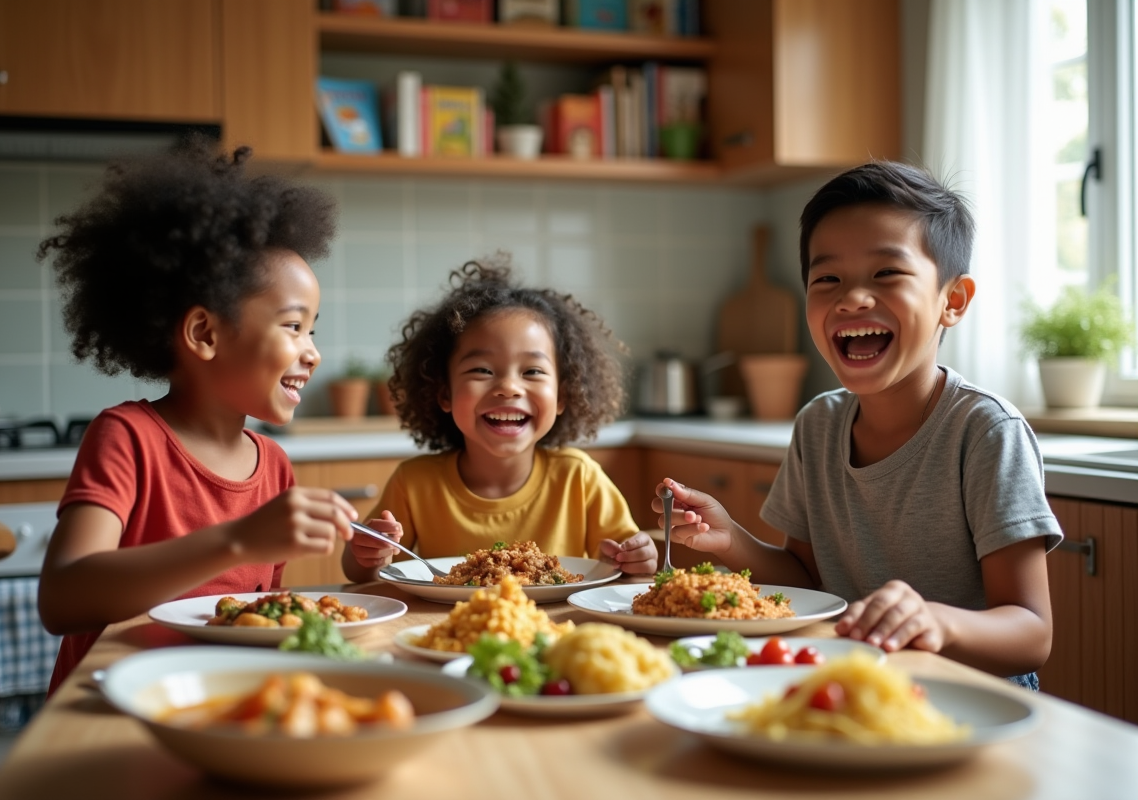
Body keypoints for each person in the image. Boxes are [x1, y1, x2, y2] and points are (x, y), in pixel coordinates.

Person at [656, 161, 1062, 687]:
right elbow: (806, 580)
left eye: (887, 273)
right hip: (849, 679)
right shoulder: (818, 424)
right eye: (827, 279)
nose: (851, 298)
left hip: (965, 690)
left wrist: (937, 621)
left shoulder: (986, 432)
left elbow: (1032, 634)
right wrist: (729, 537)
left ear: (952, 301)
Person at [36, 138, 358, 694]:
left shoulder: (274, 465)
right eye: (292, 326)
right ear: (205, 334)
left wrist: (364, 559)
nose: (313, 352)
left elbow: (254, 618)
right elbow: (63, 598)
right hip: (115, 706)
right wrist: (236, 542)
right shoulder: (127, 438)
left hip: (222, 695)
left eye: (314, 329)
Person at [342, 258, 656, 583]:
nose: (508, 388)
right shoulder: (414, 483)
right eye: (482, 370)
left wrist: (635, 556)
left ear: (563, 395)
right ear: (444, 394)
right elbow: (358, 572)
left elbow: (628, 557)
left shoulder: (580, 479)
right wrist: (367, 552)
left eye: (532, 371)